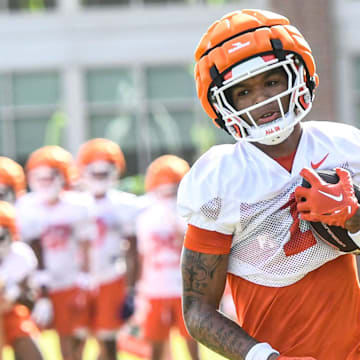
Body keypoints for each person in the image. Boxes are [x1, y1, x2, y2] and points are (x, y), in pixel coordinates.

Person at [177, 8, 360, 360]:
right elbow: (198, 311)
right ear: (224, 104)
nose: (260, 99)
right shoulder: (221, 179)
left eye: (271, 82)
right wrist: (264, 358)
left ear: (298, 76)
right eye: (243, 92)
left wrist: (354, 217)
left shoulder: (344, 148)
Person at [15, 146, 96, 360]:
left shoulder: (78, 205)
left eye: (50, 176)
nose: (44, 182)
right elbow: (30, 246)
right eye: (38, 176)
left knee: (72, 340)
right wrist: (40, 290)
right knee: (25, 337)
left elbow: (86, 243)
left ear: (63, 176)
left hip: (69, 282)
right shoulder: (26, 206)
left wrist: (85, 276)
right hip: (36, 286)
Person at [76, 138, 142, 360]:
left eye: (104, 169)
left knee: (108, 340)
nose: (99, 173)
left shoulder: (125, 204)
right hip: (78, 279)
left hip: (111, 277)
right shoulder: (73, 203)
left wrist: (132, 290)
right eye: (93, 169)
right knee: (77, 337)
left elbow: (133, 250)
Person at [135, 155, 200, 360]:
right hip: (156, 287)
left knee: (192, 341)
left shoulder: (189, 214)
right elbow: (142, 256)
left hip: (183, 287)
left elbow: (194, 247)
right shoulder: (146, 217)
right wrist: (139, 289)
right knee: (155, 346)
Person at [0, 200, 43, 360]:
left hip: (11, 311)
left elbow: (29, 295)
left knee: (28, 346)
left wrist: (15, 293)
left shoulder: (20, 255)